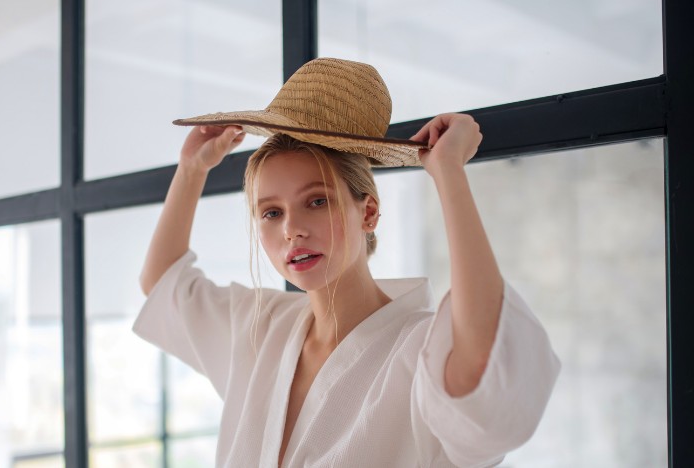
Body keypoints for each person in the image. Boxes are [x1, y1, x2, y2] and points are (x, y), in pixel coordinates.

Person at [134, 58, 560, 467]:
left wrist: (448, 171)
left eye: (316, 201)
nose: (292, 230)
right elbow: (163, 283)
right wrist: (191, 170)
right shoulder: (260, 327)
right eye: (271, 212)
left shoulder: (418, 350)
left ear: (369, 213)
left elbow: (484, 365)